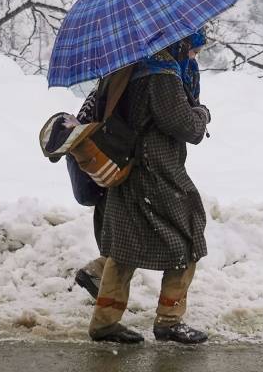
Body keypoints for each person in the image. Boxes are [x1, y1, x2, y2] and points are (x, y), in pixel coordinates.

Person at [89, 32, 212, 345]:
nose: (195, 56)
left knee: (124, 249)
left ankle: (105, 323)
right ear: (181, 42)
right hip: (157, 171)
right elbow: (184, 125)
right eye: (195, 49)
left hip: (127, 167)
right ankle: (169, 321)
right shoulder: (161, 73)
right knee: (189, 240)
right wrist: (202, 114)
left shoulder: (129, 65)